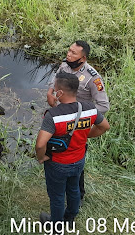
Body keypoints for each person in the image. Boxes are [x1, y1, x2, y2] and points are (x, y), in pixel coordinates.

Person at [35, 71, 109, 224]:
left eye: (55, 89)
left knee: (57, 195)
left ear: (60, 92)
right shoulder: (89, 108)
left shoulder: (53, 115)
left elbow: (41, 144)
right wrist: (86, 135)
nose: (54, 92)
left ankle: (56, 225)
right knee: (74, 189)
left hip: (58, 163)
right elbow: (104, 127)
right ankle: (70, 217)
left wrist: (41, 157)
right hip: (79, 160)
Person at [46, 40, 108, 200]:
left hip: (77, 125)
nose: (69, 54)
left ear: (83, 58)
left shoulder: (92, 78)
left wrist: (83, 117)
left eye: (74, 53)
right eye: (69, 50)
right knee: (56, 153)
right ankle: (58, 184)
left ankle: (78, 195)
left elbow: (103, 105)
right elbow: (55, 80)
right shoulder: (64, 66)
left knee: (76, 158)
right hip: (60, 118)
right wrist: (50, 92)